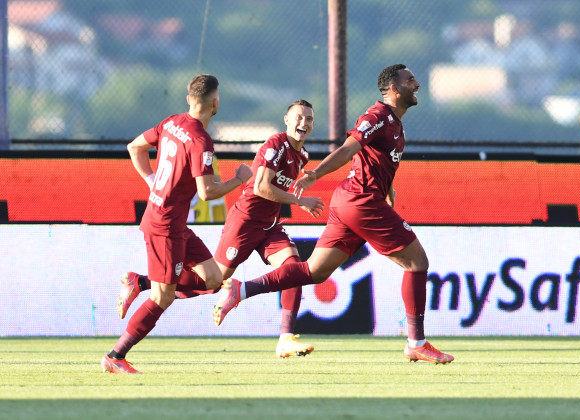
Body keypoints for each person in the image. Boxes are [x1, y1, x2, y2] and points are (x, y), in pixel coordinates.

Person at [213, 64, 454, 364]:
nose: (417, 84)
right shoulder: (376, 116)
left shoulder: (396, 124)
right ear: (394, 89)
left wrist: (389, 193)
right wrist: (315, 175)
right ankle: (416, 342)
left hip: (354, 203)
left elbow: (379, 165)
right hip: (361, 202)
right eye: (410, 80)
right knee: (418, 261)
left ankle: (241, 289)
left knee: (314, 271)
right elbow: (348, 149)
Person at [118, 99, 325, 358]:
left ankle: (285, 338)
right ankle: (142, 282)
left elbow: (284, 184)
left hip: (270, 227)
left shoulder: (302, 155)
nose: (303, 123)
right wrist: (299, 200)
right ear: (286, 120)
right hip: (245, 223)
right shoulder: (275, 145)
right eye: (298, 117)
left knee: (293, 270)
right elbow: (261, 187)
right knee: (213, 282)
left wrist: (306, 181)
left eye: (309, 119)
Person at [101, 74, 253, 374]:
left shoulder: (171, 122)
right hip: (164, 226)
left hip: (173, 222)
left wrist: (150, 181)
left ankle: (140, 282)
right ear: (215, 102)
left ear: (188, 99)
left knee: (213, 278)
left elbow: (135, 147)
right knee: (163, 297)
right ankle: (115, 356)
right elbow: (206, 192)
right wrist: (238, 180)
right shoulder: (201, 141)